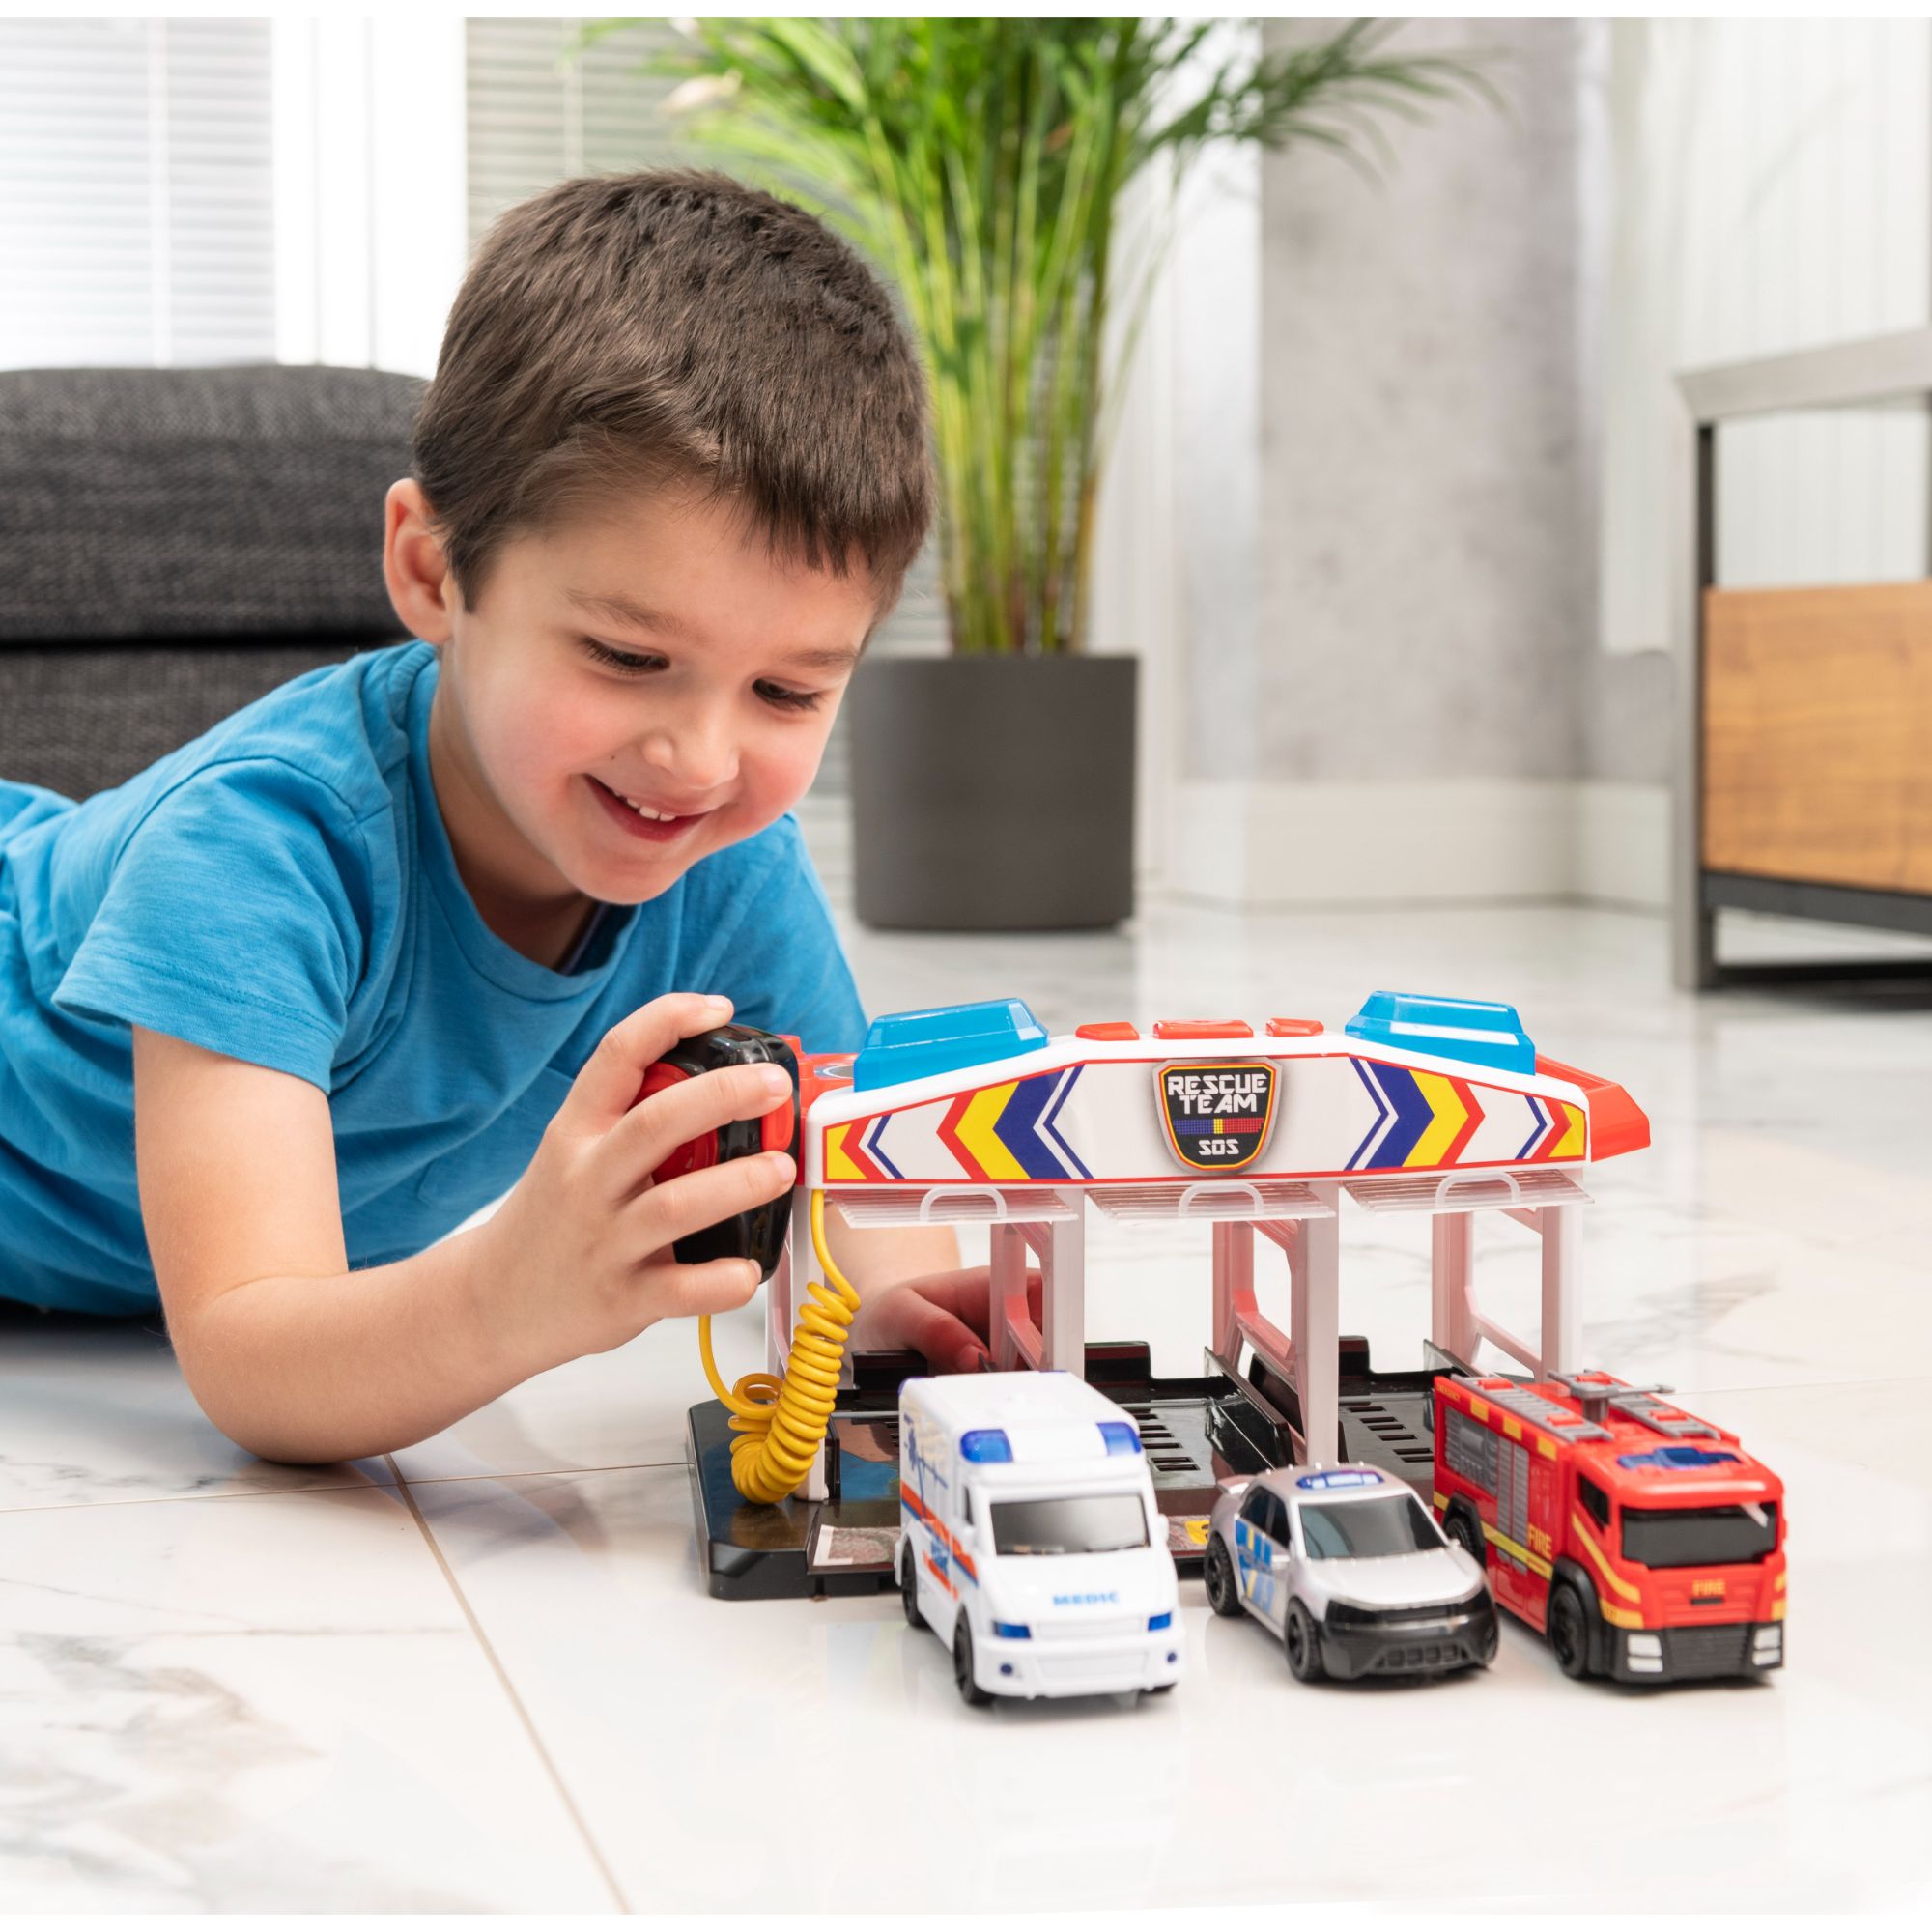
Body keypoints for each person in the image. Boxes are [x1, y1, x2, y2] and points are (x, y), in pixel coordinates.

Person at [0, 170, 1006, 1464]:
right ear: (432, 571)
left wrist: (895, 1317)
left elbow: (853, 1186)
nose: (699, 759)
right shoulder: (255, 850)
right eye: (627, 658)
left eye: (786, 691)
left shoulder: (728, 866)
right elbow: (254, 1361)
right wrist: (510, 1296)